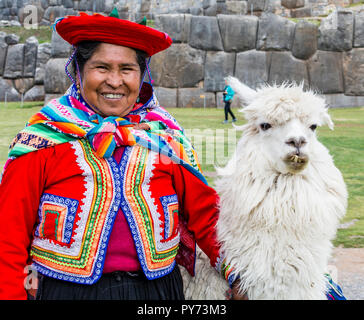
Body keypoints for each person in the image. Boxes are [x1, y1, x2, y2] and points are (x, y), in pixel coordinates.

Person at [0, 10, 245, 300]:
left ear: (142, 76)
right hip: (65, 291)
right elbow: (8, 237)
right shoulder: (44, 138)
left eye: (127, 69)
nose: (115, 81)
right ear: (79, 71)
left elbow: (205, 215)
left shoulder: (163, 137)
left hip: (158, 293)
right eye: (101, 67)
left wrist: (238, 275)